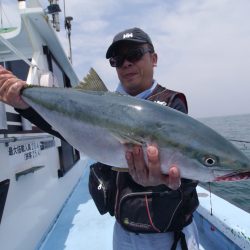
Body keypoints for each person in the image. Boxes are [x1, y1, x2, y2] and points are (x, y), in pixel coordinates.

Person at [0, 27, 199, 250]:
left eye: (134, 54)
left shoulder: (170, 105)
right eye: (118, 59)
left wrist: (162, 184)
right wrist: (23, 104)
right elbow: (64, 128)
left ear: (153, 58)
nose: (126, 63)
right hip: (123, 230)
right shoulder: (100, 102)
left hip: (166, 234)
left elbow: (188, 168)